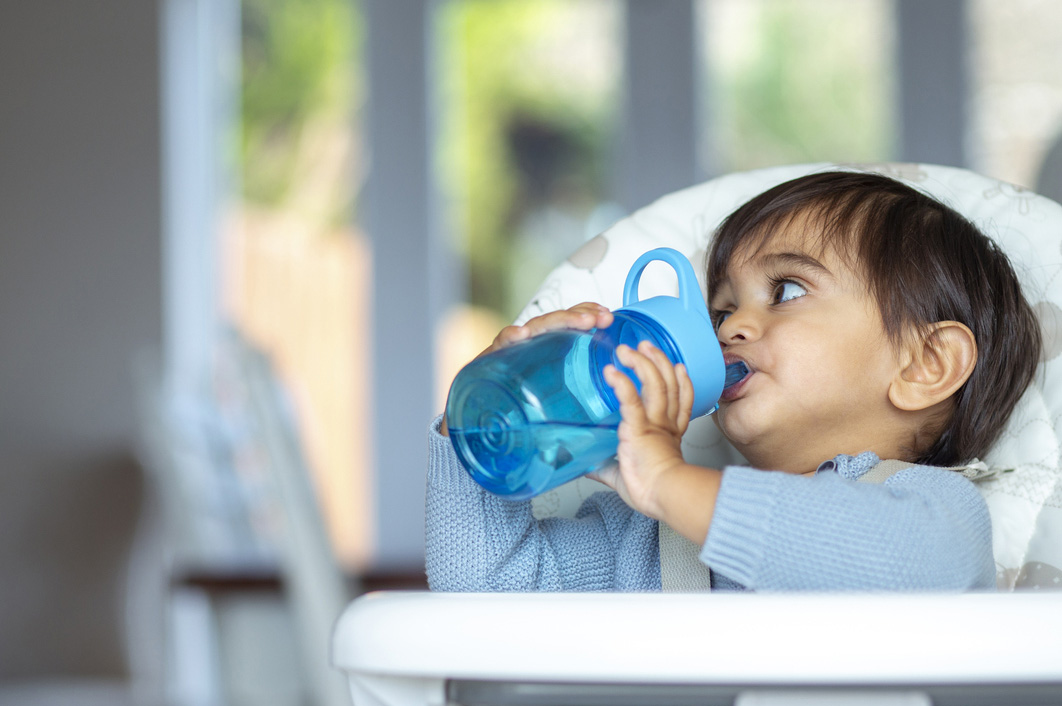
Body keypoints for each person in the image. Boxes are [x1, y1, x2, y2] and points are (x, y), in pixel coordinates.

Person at [426, 171, 1042, 591]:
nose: (731, 327)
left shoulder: (939, 516)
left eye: (787, 290)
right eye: (719, 310)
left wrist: (669, 482)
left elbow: (872, 558)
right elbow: (484, 584)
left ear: (924, 364)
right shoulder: (648, 539)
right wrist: (479, 422)